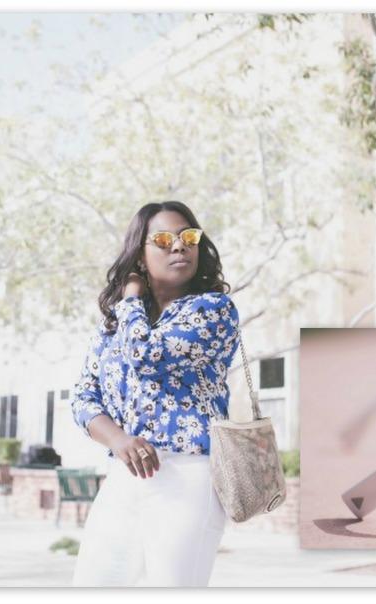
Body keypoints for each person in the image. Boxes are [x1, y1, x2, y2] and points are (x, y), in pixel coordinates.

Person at [70, 201, 239, 587]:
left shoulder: (213, 309)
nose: (179, 246)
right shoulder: (113, 325)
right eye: (163, 239)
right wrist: (119, 439)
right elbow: (83, 396)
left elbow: (145, 355)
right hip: (122, 476)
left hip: (187, 477)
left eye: (188, 237)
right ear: (141, 257)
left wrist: (130, 296)